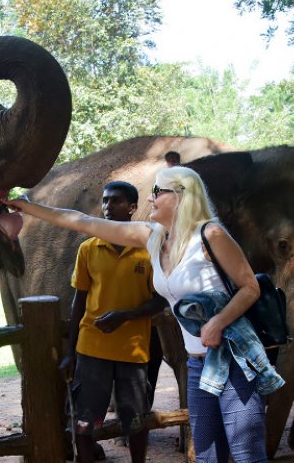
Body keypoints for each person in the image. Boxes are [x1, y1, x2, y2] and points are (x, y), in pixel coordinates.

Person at [5, 166, 283, 463]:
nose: (150, 198)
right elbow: (83, 222)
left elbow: (250, 287)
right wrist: (29, 208)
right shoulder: (153, 237)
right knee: (207, 455)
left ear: (181, 196)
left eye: (157, 192)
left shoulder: (210, 234)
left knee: (246, 455)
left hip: (233, 357)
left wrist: (218, 322)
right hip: (197, 363)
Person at [61, 180, 167, 463]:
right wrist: (70, 352)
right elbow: (78, 302)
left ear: (132, 208)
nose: (108, 206)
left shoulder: (149, 250)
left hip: (133, 351)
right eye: (105, 200)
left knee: (136, 421)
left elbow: (161, 300)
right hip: (91, 349)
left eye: (116, 200)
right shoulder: (88, 249)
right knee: (84, 422)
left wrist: (126, 315)